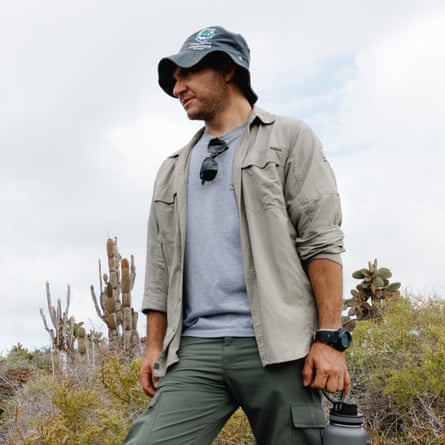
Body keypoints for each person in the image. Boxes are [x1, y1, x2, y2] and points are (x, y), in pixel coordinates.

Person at [123, 25, 351, 445]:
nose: (178, 88)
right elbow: (159, 267)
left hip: (281, 350)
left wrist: (329, 340)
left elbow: (321, 241)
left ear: (227, 69)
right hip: (194, 350)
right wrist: (153, 347)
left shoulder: (289, 138)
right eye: (174, 80)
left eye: (186, 74)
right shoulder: (173, 167)